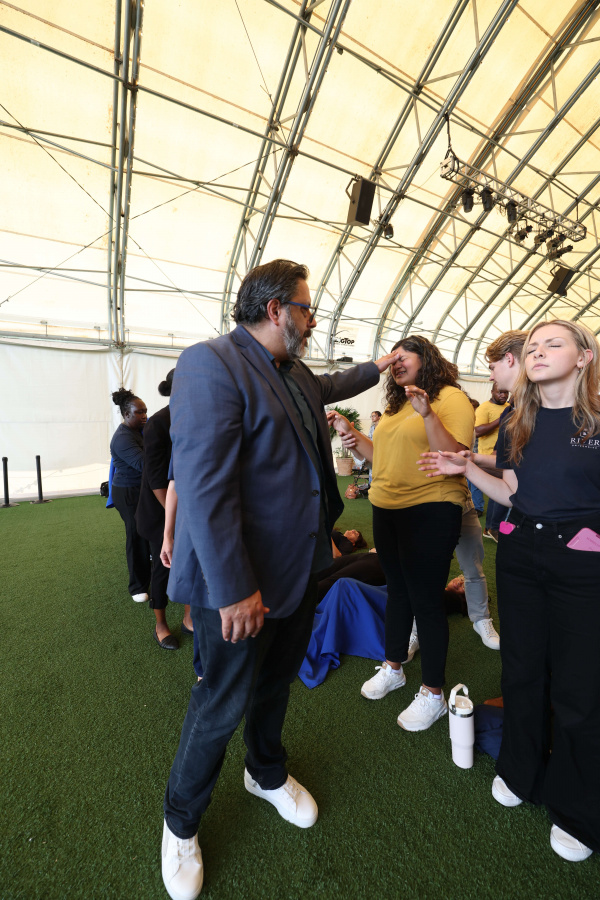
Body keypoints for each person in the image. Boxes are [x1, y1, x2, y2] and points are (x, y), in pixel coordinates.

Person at [160, 258, 400, 900]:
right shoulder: (210, 363)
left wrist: (380, 365)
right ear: (275, 310)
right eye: (307, 307)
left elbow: (334, 383)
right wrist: (235, 587)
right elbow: (205, 488)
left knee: (274, 686)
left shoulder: (292, 372)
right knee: (220, 703)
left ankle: (264, 772)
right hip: (240, 585)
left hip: (300, 572)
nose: (314, 319)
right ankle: (180, 821)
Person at [419, 319, 600, 863]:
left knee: (579, 685)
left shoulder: (596, 420)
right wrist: (464, 467)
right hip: (521, 556)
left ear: (584, 357)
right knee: (521, 669)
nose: (538, 352)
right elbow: (513, 490)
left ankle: (577, 808)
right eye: (534, 346)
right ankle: (520, 770)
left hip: (582, 564)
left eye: (553, 344)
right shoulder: (519, 421)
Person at [329, 336, 474, 732]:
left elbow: (455, 455)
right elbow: (380, 457)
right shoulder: (394, 409)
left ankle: (433, 694)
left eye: (402, 355)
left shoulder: (450, 398)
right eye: (391, 358)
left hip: (431, 507)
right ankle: (393, 667)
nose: (394, 362)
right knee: (398, 591)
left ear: (426, 359)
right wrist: (349, 431)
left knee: (425, 599)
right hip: (386, 507)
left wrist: (428, 414)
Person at [136, 370, 193, 650]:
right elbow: (157, 479)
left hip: (187, 509)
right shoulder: (159, 423)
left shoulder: (194, 417)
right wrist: (175, 517)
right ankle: (160, 624)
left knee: (190, 562)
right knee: (163, 568)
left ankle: (188, 617)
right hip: (159, 512)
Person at [110, 388, 151, 602]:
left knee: (149, 531)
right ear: (126, 414)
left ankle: (153, 565)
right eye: (139, 412)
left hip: (142, 489)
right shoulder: (122, 438)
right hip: (128, 493)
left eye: (145, 411)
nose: (144, 415)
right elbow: (145, 465)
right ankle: (137, 587)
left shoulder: (140, 430)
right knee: (136, 536)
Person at [476, 384, 510, 541]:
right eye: (500, 392)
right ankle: (494, 527)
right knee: (503, 491)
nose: (503, 395)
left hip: (506, 455)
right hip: (489, 456)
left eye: (506, 392)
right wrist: (501, 418)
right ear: (492, 392)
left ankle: (490, 527)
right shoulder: (484, 408)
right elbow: (477, 431)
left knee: (497, 493)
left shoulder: (509, 407)